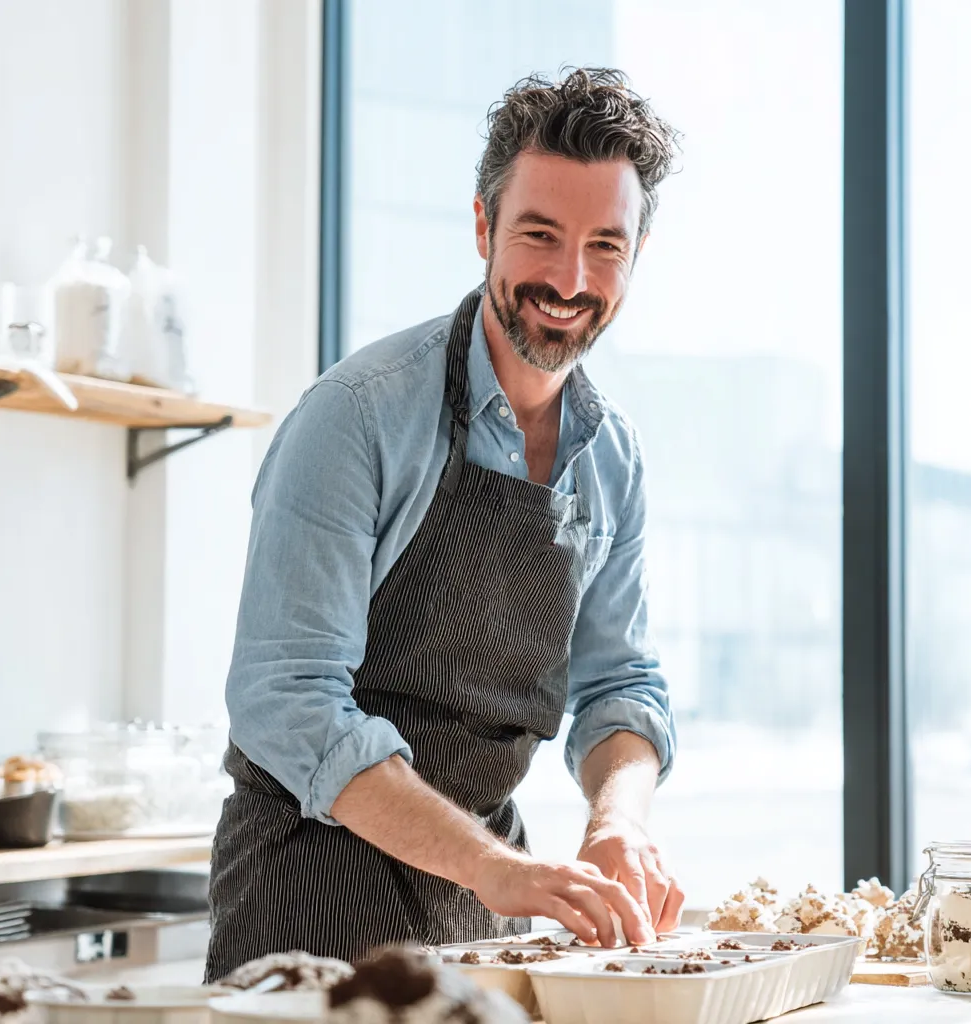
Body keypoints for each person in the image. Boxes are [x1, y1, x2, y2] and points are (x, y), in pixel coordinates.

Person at [205, 67, 683, 981]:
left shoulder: (613, 459)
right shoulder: (358, 415)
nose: (569, 280)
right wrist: (494, 866)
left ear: (636, 254)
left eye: (604, 246)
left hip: (485, 907)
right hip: (307, 896)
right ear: (482, 227)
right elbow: (288, 698)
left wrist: (618, 819)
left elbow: (622, 683)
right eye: (539, 235)